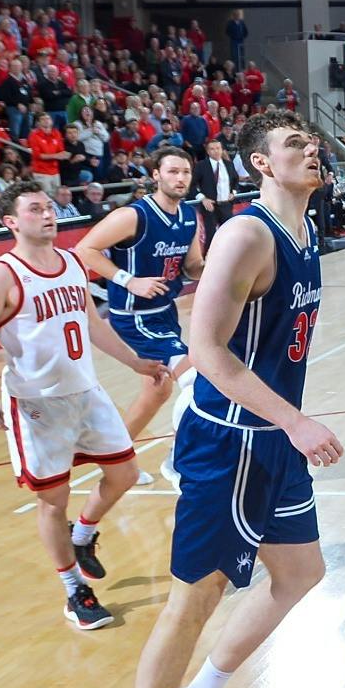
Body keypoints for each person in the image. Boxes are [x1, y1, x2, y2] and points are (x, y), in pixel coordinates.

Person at [112, 111, 329, 688]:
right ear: (260, 162)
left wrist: (287, 423)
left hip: (273, 438)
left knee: (299, 571)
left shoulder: (306, 226)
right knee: (196, 596)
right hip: (230, 441)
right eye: (295, 143)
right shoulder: (246, 235)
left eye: (312, 141)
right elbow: (205, 348)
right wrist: (293, 418)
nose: (311, 149)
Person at [0, 182, 169, 632]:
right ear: (11, 222)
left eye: (50, 207)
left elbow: (93, 325)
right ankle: (75, 590)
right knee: (52, 501)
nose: (48, 214)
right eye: (35, 209)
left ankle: (84, 533)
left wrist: (135, 363)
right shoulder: (2, 274)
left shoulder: (72, 261)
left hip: (86, 393)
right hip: (38, 406)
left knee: (126, 473)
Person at [75, 147, 204, 481]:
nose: (180, 178)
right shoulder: (134, 216)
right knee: (196, 380)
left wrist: (225, 268)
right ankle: (178, 461)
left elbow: (193, 267)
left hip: (165, 313)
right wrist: (128, 280)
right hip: (134, 317)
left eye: (186, 172)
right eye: (173, 171)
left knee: (157, 390)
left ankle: (115, 461)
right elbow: (84, 249)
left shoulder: (190, 215)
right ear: (156, 175)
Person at [190, 138, 235, 247]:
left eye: (218, 148)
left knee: (230, 236)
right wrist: (202, 198)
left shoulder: (229, 164)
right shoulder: (201, 165)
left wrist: (233, 192)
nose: (216, 151)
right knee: (211, 236)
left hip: (226, 205)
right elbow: (190, 185)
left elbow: (235, 180)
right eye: (212, 149)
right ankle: (208, 261)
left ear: (222, 149)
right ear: (207, 151)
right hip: (210, 207)